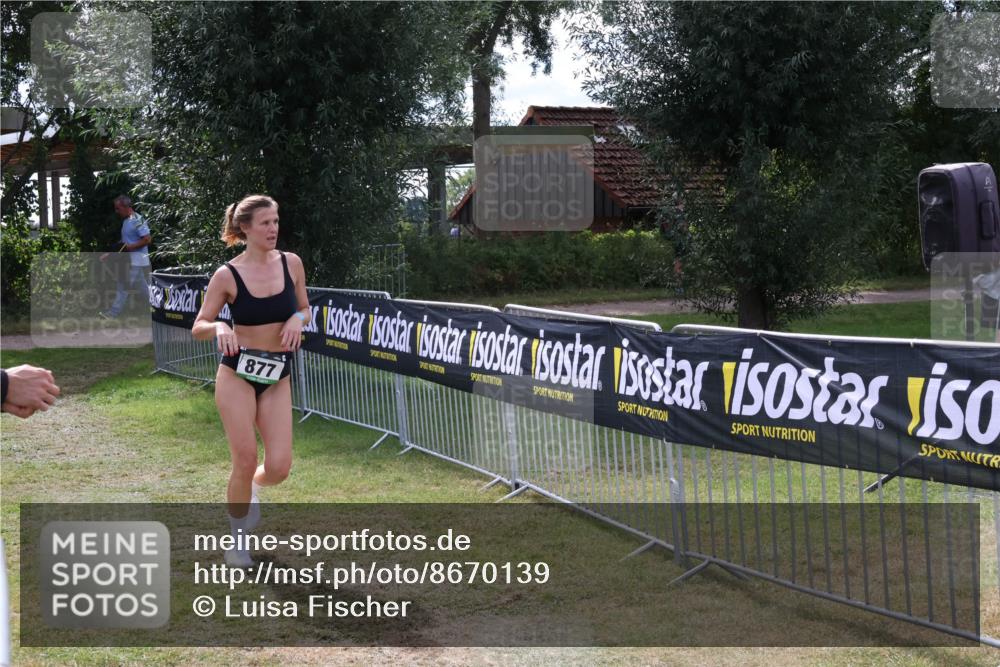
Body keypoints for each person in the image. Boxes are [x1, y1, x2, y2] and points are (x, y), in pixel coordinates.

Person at [191, 195, 310, 567]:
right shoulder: (228, 274)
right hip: (237, 373)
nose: (273, 229)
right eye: (265, 223)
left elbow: (304, 307)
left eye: (276, 221)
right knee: (244, 459)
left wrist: (297, 319)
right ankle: (237, 541)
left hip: (276, 376)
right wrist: (221, 326)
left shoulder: (291, 264)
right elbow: (198, 326)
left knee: (279, 468)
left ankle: (253, 490)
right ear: (245, 228)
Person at [100, 195, 152, 319]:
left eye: (118, 208)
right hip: (129, 261)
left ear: (126, 207)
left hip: (137, 260)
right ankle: (160, 307)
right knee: (143, 289)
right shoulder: (126, 221)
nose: (116, 211)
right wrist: (110, 254)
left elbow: (147, 239)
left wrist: (131, 247)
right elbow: (124, 243)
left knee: (123, 285)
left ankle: (112, 314)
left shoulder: (137, 220)